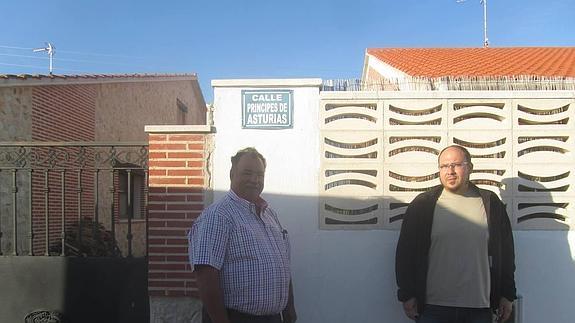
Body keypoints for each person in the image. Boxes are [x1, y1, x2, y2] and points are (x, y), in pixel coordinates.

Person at [395, 145, 516, 323]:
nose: (450, 171)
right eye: (444, 166)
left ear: (470, 168)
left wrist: (507, 294)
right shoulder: (423, 205)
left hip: (479, 308)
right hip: (433, 308)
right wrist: (406, 294)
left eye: (456, 165)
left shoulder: (490, 203)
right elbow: (405, 253)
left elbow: (505, 253)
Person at [189, 147, 296, 323]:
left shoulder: (270, 215)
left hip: (275, 318)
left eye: (260, 175)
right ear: (232, 174)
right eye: (247, 173)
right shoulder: (218, 216)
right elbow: (205, 276)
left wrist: (289, 309)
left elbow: (282, 264)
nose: (255, 180)